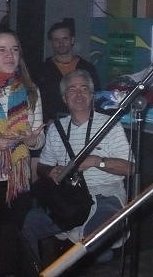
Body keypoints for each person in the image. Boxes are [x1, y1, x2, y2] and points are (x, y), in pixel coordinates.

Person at [22, 69, 134, 265]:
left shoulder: (110, 125)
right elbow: (42, 166)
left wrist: (97, 161)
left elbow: (130, 168)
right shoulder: (56, 128)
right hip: (69, 199)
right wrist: (50, 171)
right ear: (64, 98)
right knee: (30, 223)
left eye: (84, 89)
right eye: (72, 90)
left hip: (105, 196)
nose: (79, 94)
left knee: (96, 244)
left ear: (92, 95)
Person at [0, 28, 45, 276]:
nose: (9, 55)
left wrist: (32, 140)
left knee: (11, 243)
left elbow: (39, 138)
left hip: (17, 179)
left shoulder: (31, 91)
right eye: (1, 49)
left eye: (14, 49)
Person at [37, 20, 101, 123]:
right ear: (51, 42)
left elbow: (96, 96)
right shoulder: (42, 70)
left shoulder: (87, 68)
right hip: (53, 124)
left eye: (65, 39)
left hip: (84, 123)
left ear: (72, 40)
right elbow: (37, 101)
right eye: (56, 39)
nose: (61, 43)